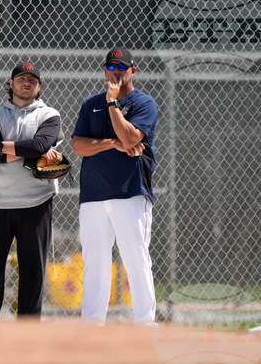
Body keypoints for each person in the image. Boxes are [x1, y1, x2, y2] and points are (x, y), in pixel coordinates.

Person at [71, 48, 158, 326]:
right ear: (105, 71)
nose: (116, 71)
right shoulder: (90, 104)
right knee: (95, 260)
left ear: (133, 71)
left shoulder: (144, 103)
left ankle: (145, 323)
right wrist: (111, 144)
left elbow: (131, 138)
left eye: (122, 66)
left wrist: (112, 104)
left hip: (130, 191)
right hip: (93, 194)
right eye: (111, 67)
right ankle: (92, 325)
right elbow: (77, 145)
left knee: (135, 257)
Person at [0, 62, 62, 319]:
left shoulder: (49, 115)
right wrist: (30, 150)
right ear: (11, 84)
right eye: (22, 79)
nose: (27, 83)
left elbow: (41, 144)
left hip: (36, 201)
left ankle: (28, 331)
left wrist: (2, 146)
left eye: (32, 80)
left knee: (33, 272)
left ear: (39, 87)